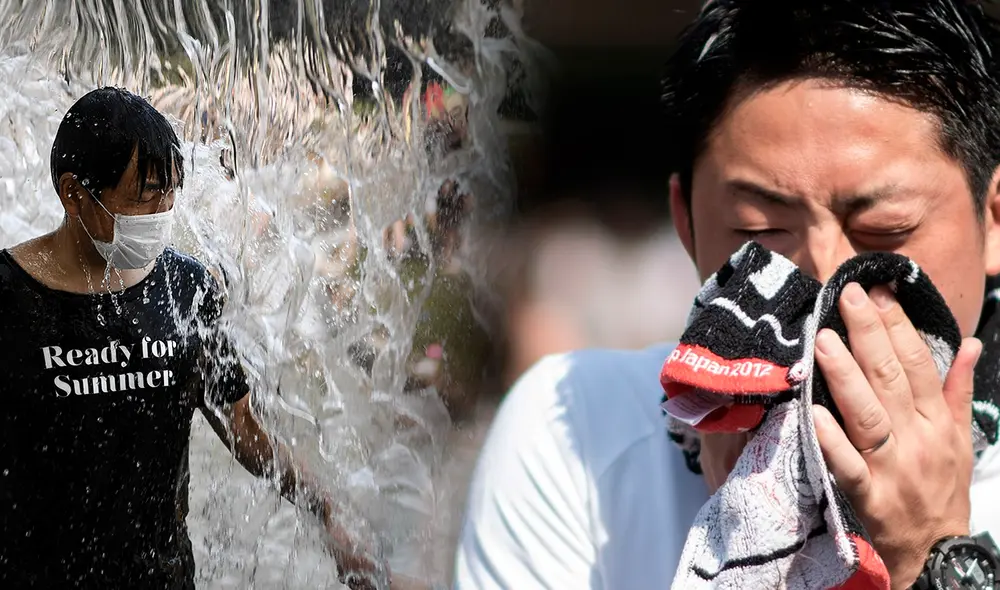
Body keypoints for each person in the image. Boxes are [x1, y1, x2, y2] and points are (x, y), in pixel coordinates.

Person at [454, 1, 1000, 588]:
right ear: (685, 225)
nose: (829, 283)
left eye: (885, 231)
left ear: (993, 220)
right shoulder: (577, 436)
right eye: (760, 232)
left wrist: (930, 551)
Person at [0, 88, 389, 589]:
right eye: (145, 198)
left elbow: (245, 429)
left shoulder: (185, 289)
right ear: (74, 193)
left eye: (170, 196)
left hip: (162, 577)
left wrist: (328, 512)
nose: (162, 216)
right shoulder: (10, 298)